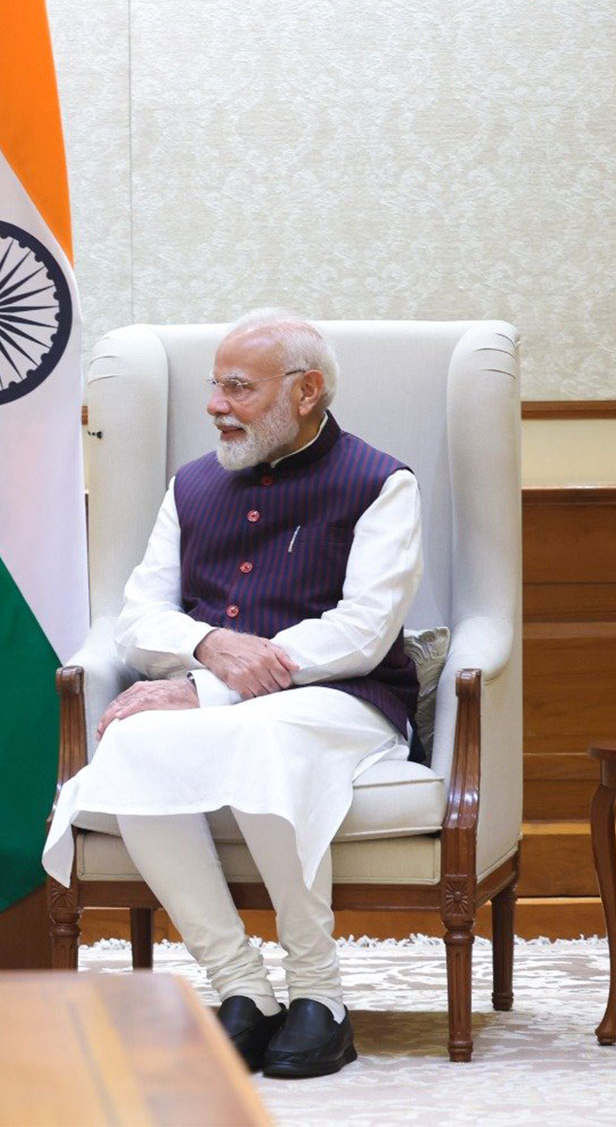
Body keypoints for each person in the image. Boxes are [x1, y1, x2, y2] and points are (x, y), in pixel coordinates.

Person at [42, 308, 423, 1078]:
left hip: (347, 701)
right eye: (215, 385)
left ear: (307, 392)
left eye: (239, 388)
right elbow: (139, 616)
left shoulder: (382, 483)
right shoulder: (191, 486)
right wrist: (207, 646)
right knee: (133, 740)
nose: (216, 405)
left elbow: (362, 632)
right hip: (219, 695)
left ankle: (320, 995)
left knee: (264, 733)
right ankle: (241, 987)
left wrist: (208, 686)